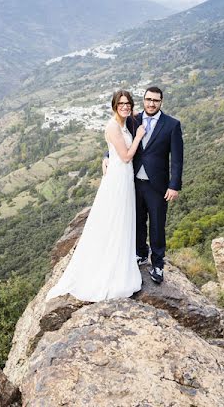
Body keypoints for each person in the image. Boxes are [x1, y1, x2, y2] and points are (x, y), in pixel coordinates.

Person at [46, 90, 146, 302]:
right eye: (121, 104)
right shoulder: (113, 126)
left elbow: (116, 147)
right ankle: (110, 269)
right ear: (114, 106)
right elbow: (127, 156)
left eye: (128, 103)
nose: (126, 107)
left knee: (122, 220)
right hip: (119, 178)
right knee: (115, 220)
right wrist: (137, 138)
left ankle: (121, 261)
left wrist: (106, 156)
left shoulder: (125, 122)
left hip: (124, 178)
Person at [129, 86, 184, 284]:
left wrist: (174, 185)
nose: (151, 103)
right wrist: (106, 156)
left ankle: (158, 265)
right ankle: (141, 253)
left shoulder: (172, 125)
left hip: (158, 186)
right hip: (133, 183)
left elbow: (177, 159)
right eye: (148, 99)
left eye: (156, 100)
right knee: (137, 221)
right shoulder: (132, 120)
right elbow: (121, 142)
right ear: (143, 100)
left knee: (157, 225)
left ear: (161, 102)